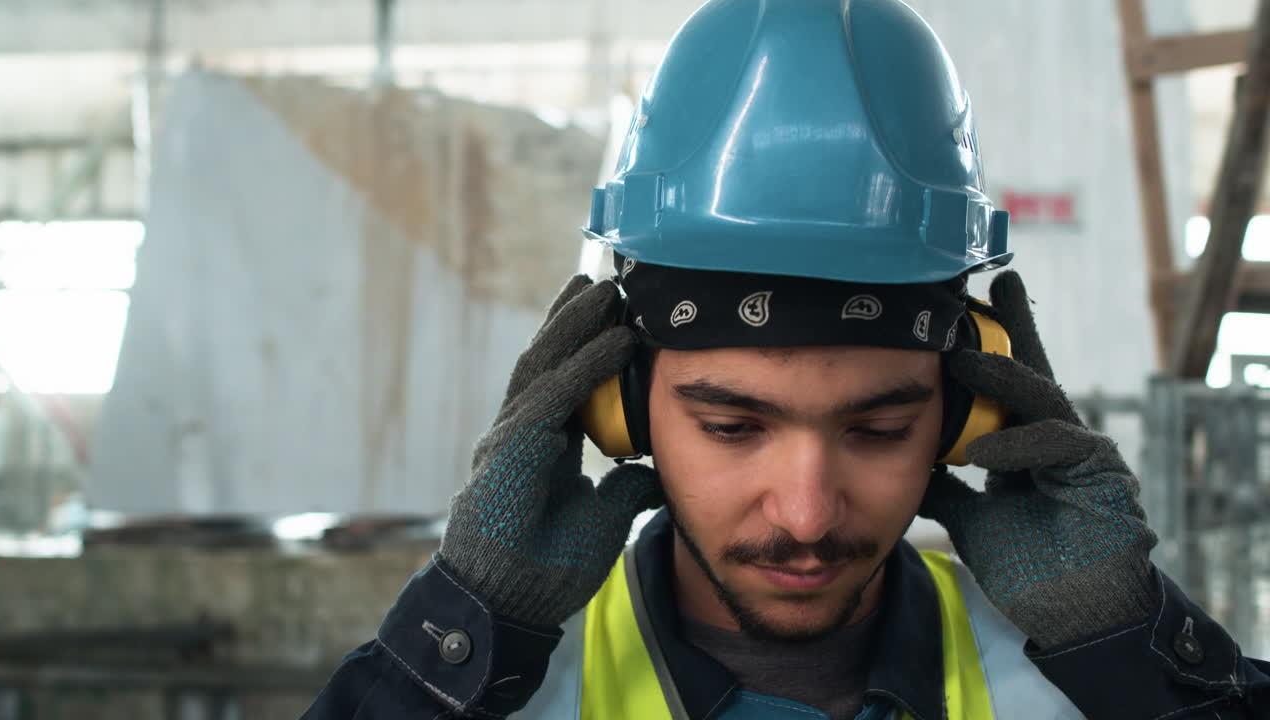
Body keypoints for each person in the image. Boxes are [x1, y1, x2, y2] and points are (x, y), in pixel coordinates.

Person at [304, 0, 1269, 717]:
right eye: (733, 426)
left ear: (970, 415)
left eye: (880, 428)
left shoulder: (1068, 686)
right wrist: (456, 640)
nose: (806, 514)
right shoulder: (510, 692)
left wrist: (1136, 653)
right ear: (619, 406)